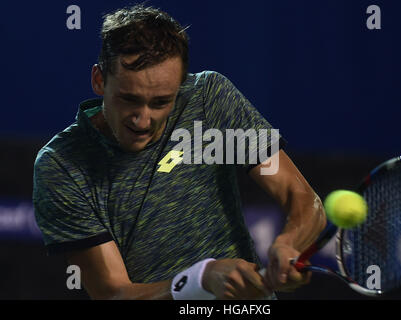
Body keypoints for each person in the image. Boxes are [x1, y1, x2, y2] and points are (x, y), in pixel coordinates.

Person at [32, 4, 326, 300]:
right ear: (99, 80)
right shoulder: (60, 164)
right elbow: (113, 294)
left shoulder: (210, 98)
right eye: (129, 99)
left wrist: (289, 243)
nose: (142, 119)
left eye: (160, 102)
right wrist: (200, 280)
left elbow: (300, 197)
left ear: (180, 86)